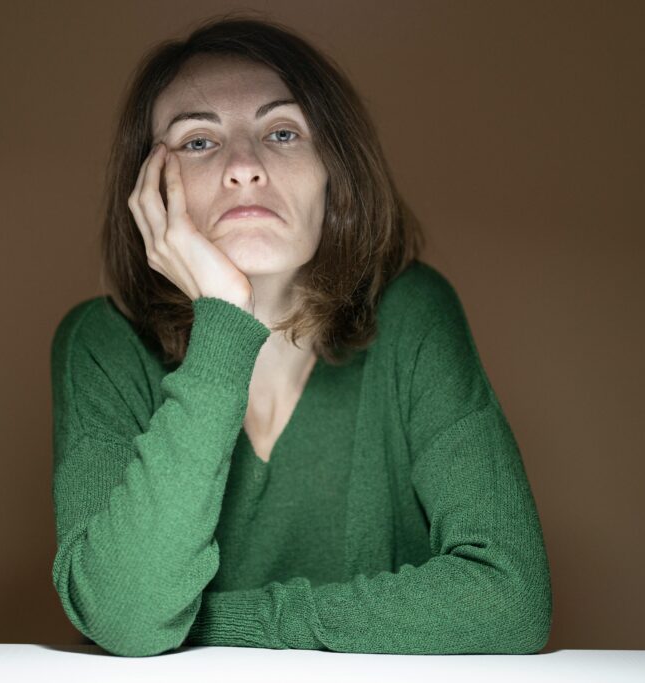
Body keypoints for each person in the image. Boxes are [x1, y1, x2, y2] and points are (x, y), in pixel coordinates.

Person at [49, 13, 552, 657]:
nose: (244, 167)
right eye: (198, 142)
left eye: (282, 132)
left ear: (331, 172)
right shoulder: (102, 345)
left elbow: (508, 598)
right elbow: (126, 614)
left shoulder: (414, 315)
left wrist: (215, 628)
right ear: (149, 193)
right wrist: (226, 317)